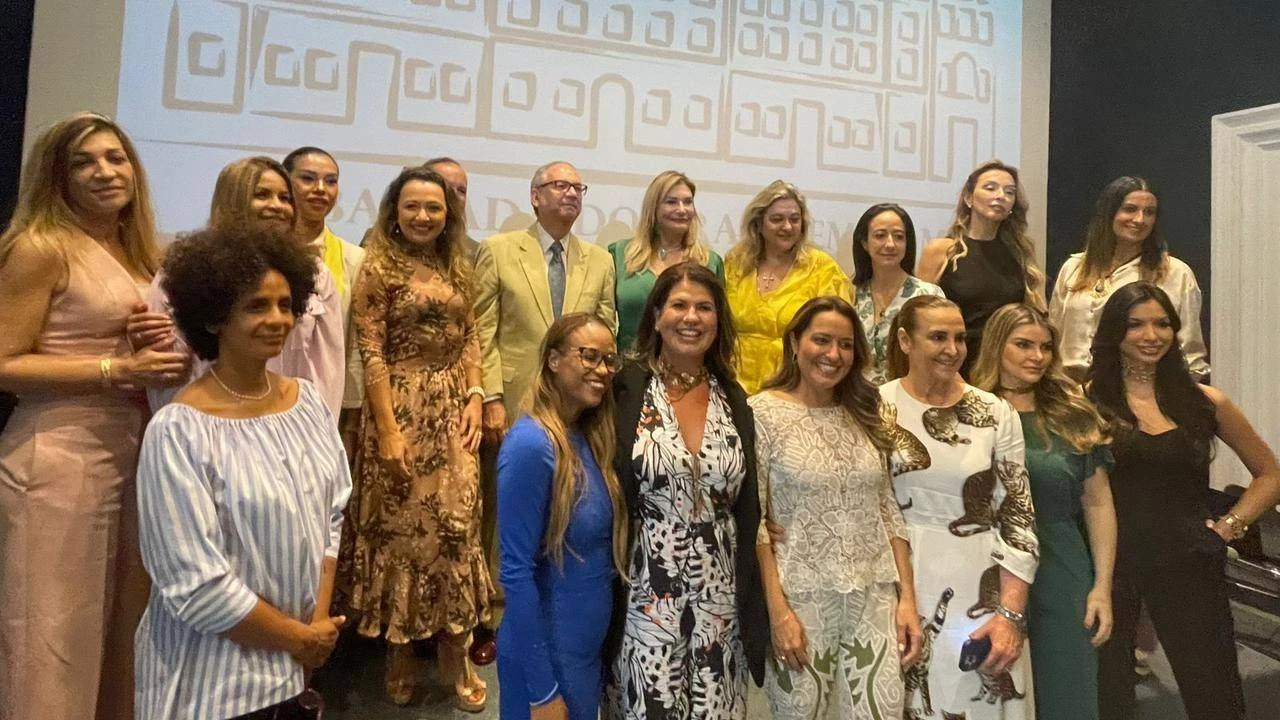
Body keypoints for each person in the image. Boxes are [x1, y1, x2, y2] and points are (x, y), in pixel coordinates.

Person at [0, 111, 187, 720]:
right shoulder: (39, 247)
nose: (105, 172)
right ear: (57, 177)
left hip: (132, 455)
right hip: (57, 459)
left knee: (123, 633)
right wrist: (118, 369)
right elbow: (4, 363)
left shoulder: (139, 250)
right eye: (84, 162)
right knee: (53, 638)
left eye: (115, 157)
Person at [133, 223, 351, 719]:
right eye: (257, 306)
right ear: (213, 318)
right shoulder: (178, 431)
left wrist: (314, 626)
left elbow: (332, 515)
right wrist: (297, 638)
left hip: (294, 669)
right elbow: (193, 579)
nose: (277, 319)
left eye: (285, 305)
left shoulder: (307, 401)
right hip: (211, 684)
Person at [1088, 283, 1280, 720]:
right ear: (1114, 331)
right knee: (1109, 697)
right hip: (1112, 566)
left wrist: (1229, 527)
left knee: (1214, 695)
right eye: (1136, 324)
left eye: (1162, 324)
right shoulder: (1088, 402)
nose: (1151, 335)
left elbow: (1270, 475)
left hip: (1190, 560)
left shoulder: (1204, 401)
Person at [343, 165, 492, 708]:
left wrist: (475, 394)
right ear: (395, 211)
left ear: (448, 214)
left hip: (453, 413)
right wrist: (387, 431)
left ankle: (457, 653)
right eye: (413, 206)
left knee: (457, 528)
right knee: (401, 531)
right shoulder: (379, 265)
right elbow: (371, 351)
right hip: (400, 408)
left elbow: (470, 335)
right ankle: (400, 651)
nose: (424, 216)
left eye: (434, 207)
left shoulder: (458, 263)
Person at [605, 262, 768, 720]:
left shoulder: (733, 398)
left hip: (720, 595)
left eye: (704, 307)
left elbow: (749, 501)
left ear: (718, 321)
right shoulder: (625, 390)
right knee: (647, 707)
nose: (691, 317)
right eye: (679, 305)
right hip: (644, 589)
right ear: (656, 316)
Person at [751, 296, 920, 719]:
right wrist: (777, 613)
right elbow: (756, 524)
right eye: (822, 340)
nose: (833, 354)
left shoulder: (868, 410)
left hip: (874, 596)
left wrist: (907, 599)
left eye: (845, 345)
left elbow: (887, 508)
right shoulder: (762, 412)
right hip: (800, 597)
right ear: (795, 343)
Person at [880, 295, 1039, 719]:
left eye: (960, 338)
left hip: (978, 585)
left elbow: (1019, 519)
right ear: (905, 341)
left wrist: (1010, 615)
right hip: (894, 584)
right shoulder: (875, 407)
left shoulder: (996, 412)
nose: (952, 349)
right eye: (937, 337)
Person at [971, 304, 1117, 720]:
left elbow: (1099, 504)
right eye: (1023, 345)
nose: (1037, 356)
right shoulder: (969, 411)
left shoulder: (1073, 415)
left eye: (1045, 347)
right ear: (997, 346)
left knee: (1065, 692)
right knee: (987, 697)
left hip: (1061, 569)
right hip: (984, 568)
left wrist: (1102, 587)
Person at [496, 312, 628, 720]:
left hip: (583, 657)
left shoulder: (588, 437)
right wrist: (543, 691)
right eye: (588, 356)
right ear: (553, 360)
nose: (602, 369)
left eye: (609, 360)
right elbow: (515, 572)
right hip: (547, 663)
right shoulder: (531, 445)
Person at [146, 156, 347, 416]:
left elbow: (328, 368)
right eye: (262, 195)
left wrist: (315, 426)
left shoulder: (316, 274)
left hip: (290, 425)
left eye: (285, 198)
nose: (277, 206)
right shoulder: (181, 273)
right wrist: (195, 423)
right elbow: (168, 370)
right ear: (233, 199)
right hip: (209, 422)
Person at [474, 160, 617, 445]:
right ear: (535, 197)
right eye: (561, 185)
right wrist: (491, 398)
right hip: (513, 402)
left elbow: (606, 336)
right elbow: (481, 332)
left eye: (578, 188)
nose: (572, 193)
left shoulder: (600, 261)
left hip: (577, 410)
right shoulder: (498, 250)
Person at [1049, 176, 1209, 382]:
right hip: (1070, 390)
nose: (1140, 219)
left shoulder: (1175, 273)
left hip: (1137, 390)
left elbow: (1189, 352)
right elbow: (1053, 335)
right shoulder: (1074, 268)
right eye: (1130, 209)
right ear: (1109, 212)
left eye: (1149, 212)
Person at [917, 160, 1046, 378]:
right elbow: (919, 317)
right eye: (990, 188)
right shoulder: (942, 250)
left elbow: (1036, 316)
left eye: (1009, 192)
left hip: (1003, 371)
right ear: (969, 198)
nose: (1001, 196)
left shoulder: (1020, 253)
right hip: (952, 366)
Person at [725, 180, 851, 394]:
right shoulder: (735, 263)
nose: (787, 227)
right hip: (733, 387)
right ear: (759, 223)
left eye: (794, 219)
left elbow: (838, 336)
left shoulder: (822, 268)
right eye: (777, 219)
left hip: (795, 389)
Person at [284, 146, 368, 454]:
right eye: (308, 179)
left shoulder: (353, 258)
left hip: (324, 406)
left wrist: (350, 420)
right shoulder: (260, 252)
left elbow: (355, 344)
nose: (321, 189)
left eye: (331, 181)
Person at [608, 170, 725, 352]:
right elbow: (604, 319)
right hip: (629, 364)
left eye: (688, 202)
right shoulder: (620, 254)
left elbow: (719, 327)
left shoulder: (709, 262)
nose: (682, 209)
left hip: (688, 363)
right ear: (653, 208)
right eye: (671, 202)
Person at [850, 203, 945, 385]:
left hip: (910, 395)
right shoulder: (850, 293)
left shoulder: (928, 295)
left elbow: (940, 353)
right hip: (855, 397)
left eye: (899, 237)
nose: (890, 244)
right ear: (864, 243)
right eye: (880, 236)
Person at [425, 156, 481, 259]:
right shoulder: (394, 249)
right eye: (446, 186)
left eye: (461, 190)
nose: (454, 195)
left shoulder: (476, 254)